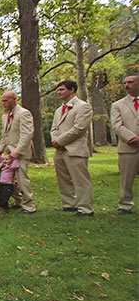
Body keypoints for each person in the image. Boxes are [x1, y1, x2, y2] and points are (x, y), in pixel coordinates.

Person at [50, 80, 94, 217]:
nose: (59, 92)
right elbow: (54, 128)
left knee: (80, 180)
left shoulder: (83, 107)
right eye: (58, 90)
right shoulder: (58, 110)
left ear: (72, 90)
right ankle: (69, 204)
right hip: (60, 150)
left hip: (75, 149)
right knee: (63, 179)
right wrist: (55, 140)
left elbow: (79, 128)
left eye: (62, 89)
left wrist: (60, 141)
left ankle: (85, 208)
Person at [0, 91, 36, 213]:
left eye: (6, 101)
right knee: (9, 180)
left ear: (14, 99)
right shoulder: (5, 116)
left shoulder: (24, 113)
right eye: (2, 101)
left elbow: (27, 135)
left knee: (22, 179)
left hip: (21, 152)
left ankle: (29, 206)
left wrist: (16, 152)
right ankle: (19, 201)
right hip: (9, 153)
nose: (3, 103)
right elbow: (5, 135)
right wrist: (0, 150)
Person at [110, 73, 139, 215]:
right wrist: (132, 138)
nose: (127, 85)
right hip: (128, 147)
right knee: (126, 179)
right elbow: (116, 125)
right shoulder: (118, 105)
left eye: (131, 82)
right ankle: (125, 205)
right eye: (125, 83)